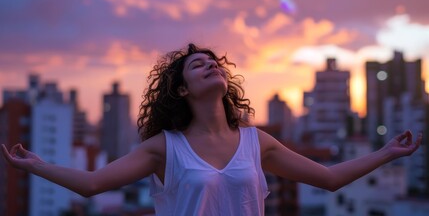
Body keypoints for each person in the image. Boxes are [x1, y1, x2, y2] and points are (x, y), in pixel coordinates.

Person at [1, 43, 423, 215]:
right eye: (199, 64)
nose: (212, 65)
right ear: (182, 89)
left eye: (215, 61)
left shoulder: (257, 142)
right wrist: (35, 165)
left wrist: (388, 153)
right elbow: (93, 184)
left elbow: (329, 179)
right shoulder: (165, 148)